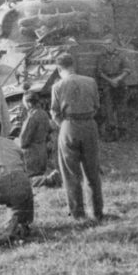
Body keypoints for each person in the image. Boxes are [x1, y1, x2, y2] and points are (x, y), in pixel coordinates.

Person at [50, 53, 104, 222]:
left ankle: (77, 214)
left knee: (70, 172)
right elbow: (97, 106)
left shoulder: (57, 86)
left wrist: (65, 125)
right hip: (89, 124)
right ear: (73, 65)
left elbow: (54, 112)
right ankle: (97, 212)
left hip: (69, 125)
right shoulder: (91, 81)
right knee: (92, 170)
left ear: (59, 69)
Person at [18, 91, 62, 188]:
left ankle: (49, 179)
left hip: (31, 154)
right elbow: (50, 131)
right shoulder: (44, 114)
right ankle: (50, 178)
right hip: (42, 150)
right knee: (38, 174)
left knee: (27, 180)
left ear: (28, 103)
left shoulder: (32, 117)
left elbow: (23, 142)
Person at [95, 44, 131, 141]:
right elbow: (99, 72)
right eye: (106, 44)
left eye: (110, 44)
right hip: (107, 83)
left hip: (120, 83)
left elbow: (127, 69)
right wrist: (110, 80)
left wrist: (117, 79)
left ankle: (123, 133)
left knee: (121, 109)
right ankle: (111, 133)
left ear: (114, 45)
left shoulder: (121, 55)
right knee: (108, 110)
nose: (108, 46)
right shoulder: (102, 56)